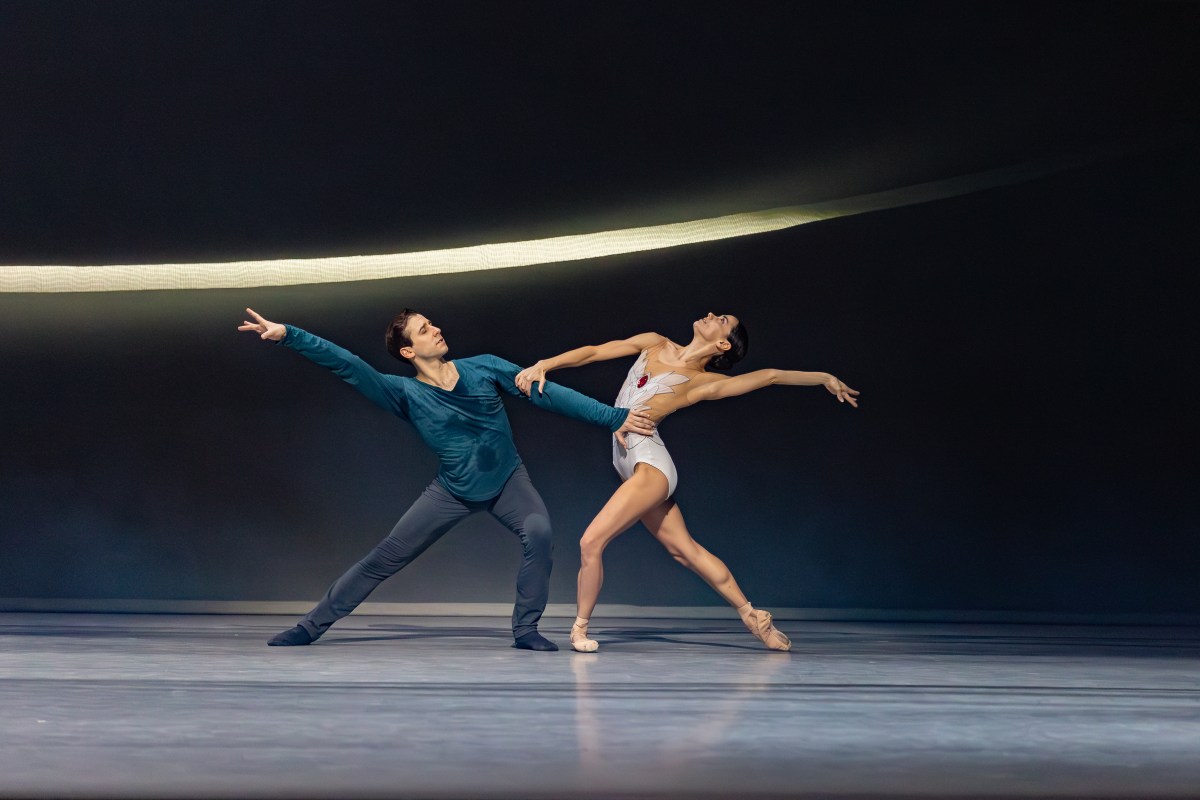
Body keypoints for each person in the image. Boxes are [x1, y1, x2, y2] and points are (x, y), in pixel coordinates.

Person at [238, 307, 655, 651]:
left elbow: (549, 393)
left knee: (540, 533)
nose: (436, 329)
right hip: (453, 490)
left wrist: (612, 416)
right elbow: (349, 366)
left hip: (508, 480)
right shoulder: (403, 392)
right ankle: (310, 627)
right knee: (383, 559)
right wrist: (289, 334)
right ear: (407, 351)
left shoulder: (485, 367)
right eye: (424, 329)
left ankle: (525, 630)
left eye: (432, 323)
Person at [516, 312, 859, 652]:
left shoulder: (701, 383)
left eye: (722, 319)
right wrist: (546, 364)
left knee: (591, 541)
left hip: (651, 468)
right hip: (630, 463)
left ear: (723, 343)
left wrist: (823, 377)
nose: (711, 314)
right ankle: (751, 615)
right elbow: (593, 351)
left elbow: (769, 376)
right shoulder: (654, 342)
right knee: (685, 551)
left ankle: (580, 630)